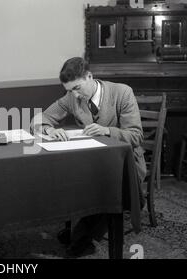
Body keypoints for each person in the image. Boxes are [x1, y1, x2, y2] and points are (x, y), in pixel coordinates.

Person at [31, 57, 146, 258]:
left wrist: (107, 130)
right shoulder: (72, 97)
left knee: (107, 188)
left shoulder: (122, 92)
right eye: (69, 90)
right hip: (92, 163)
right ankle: (77, 233)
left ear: (89, 76)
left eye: (77, 88)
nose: (75, 95)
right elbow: (38, 120)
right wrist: (48, 130)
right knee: (68, 179)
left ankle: (79, 240)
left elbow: (136, 136)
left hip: (124, 165)